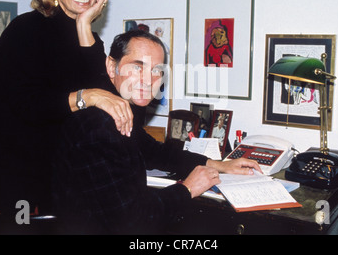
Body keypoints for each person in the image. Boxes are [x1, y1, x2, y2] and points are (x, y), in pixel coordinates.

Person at [0, 0, 133, 215]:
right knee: (25, 226)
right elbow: (28, 105)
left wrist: (83, 25)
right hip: (5, 154)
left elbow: (102, 99)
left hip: (48, 154)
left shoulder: (88, 36)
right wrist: (86, 97)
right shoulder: (26, 29)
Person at [52, 30, 261, 234]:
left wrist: (220, 165)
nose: (148, 80)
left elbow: (156, 152)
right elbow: (132, 223)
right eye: (137, 67)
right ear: (111, 66)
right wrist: (187, 189)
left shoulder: (119, 112)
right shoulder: (99, 127)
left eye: (156, 70)